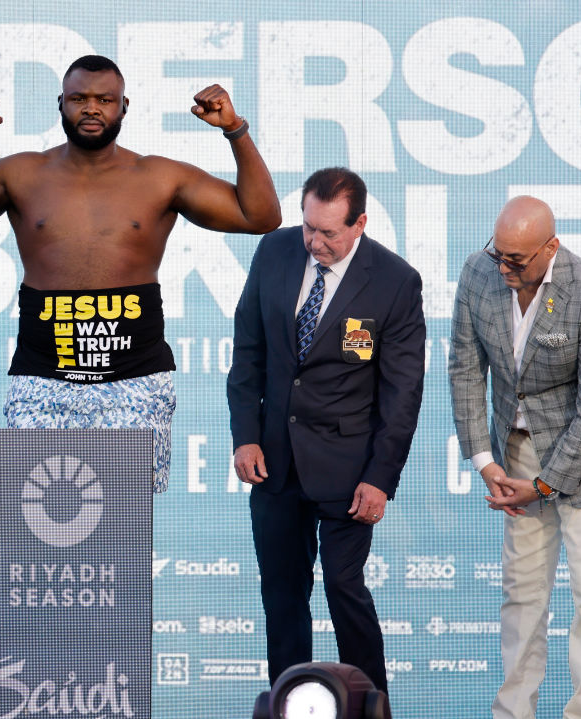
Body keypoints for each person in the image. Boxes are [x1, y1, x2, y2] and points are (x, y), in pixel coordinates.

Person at [0, 54, 280, 493]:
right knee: (35, 514)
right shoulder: (22, 173)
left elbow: (260, 216)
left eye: (105, 99)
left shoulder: (160, 176)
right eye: (79, 98)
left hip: (134, 379)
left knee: (123, 518)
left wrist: (235, 130)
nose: (91, 108)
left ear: (124, 106)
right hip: (43, 378)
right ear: (60, 103)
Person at [227, 167, 425, 693]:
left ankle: (371, 704)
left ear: (359, 224)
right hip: (274, 464)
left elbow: (402, 394)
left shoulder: (395, 281)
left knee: (344, 589)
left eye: (329, 233)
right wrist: (245, 435)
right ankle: (290, 703)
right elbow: (247, 352)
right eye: (308, 227)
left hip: (350, 470)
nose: (315, 242)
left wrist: (380, 478)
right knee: (282, 596)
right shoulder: (274, 251)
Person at [449, 196, 581, 719]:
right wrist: (485, 462)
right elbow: (465, 369)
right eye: (499, 253)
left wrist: (547, 484)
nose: (503, 268)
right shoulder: (478, 272)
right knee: (522, 593)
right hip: (515, 455)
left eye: (516, 259)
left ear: (550, 248)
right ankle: (513, 713)